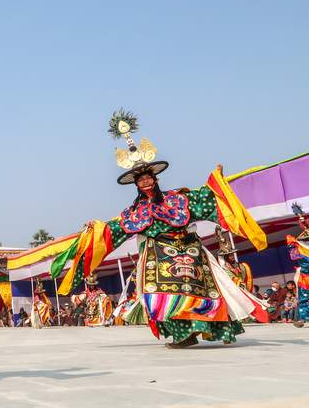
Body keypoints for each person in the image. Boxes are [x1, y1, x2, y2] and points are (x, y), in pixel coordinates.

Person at [51, 110, 268, 348]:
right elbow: (115, 229)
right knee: (160, 296)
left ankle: (202, 328)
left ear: (155, 178)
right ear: (136, 184)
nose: (144, 181)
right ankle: (183, 335)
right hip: (159, 254)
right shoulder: (135, 212)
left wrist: (217, 179)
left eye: (147, 177)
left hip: (190, 250)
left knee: (202, 292)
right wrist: (96, 228)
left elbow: (206, 197)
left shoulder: (177, 199)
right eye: (140, 179)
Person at [286, 204, 309, 325]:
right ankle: (301, 319)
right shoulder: (301, 250)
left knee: (304, 298)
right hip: (305, 277)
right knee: (304, 298)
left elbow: (292, 253)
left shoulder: (299, 250)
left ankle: (301, 319)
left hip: (305, 278)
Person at [214, 226, 254, 292]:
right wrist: (238, 282)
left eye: (232, 255)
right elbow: (229, 278)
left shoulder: (241, 265)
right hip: (234, 290)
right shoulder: (224, 268)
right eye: (230, 256)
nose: (232, 257)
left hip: (244, 289)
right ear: (226, 257)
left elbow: (245, 277)